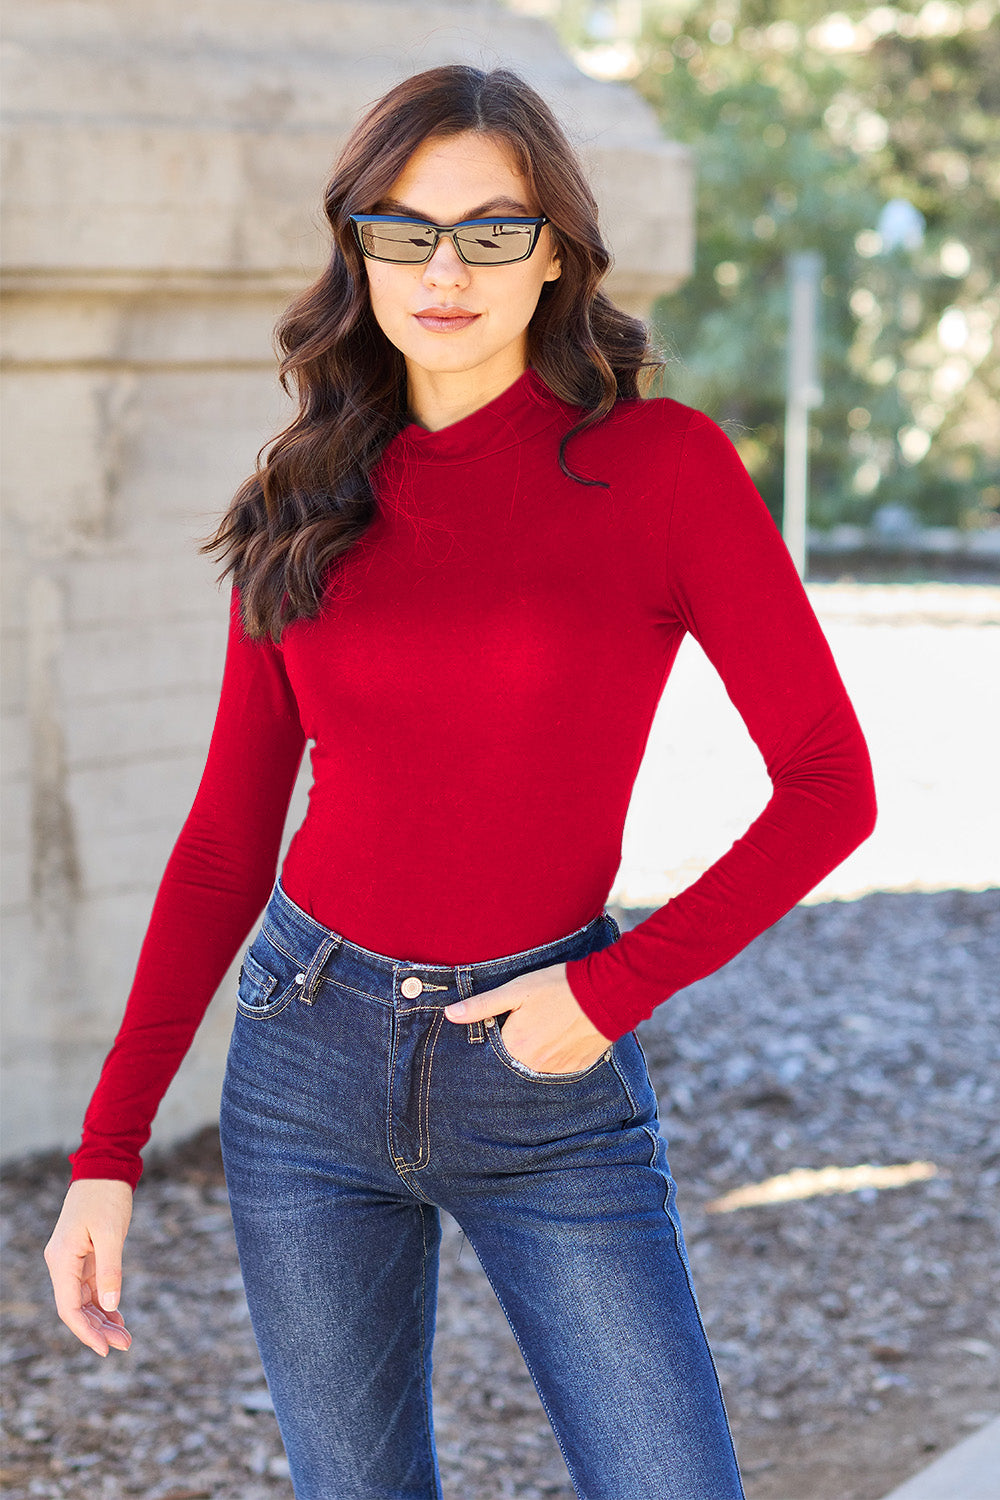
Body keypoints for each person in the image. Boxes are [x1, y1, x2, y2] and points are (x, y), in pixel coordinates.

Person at [44, 64, 876, 1500]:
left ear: (553, 249)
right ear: (354, 244)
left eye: (492, 231)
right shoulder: (304, 495)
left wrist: (610, 994)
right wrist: (106, 1150)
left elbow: (828, 785)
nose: (444, 270)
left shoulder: (660, 470)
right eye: (402, 229)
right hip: (304, 1058)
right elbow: (226, 845)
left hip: (547, 1064)